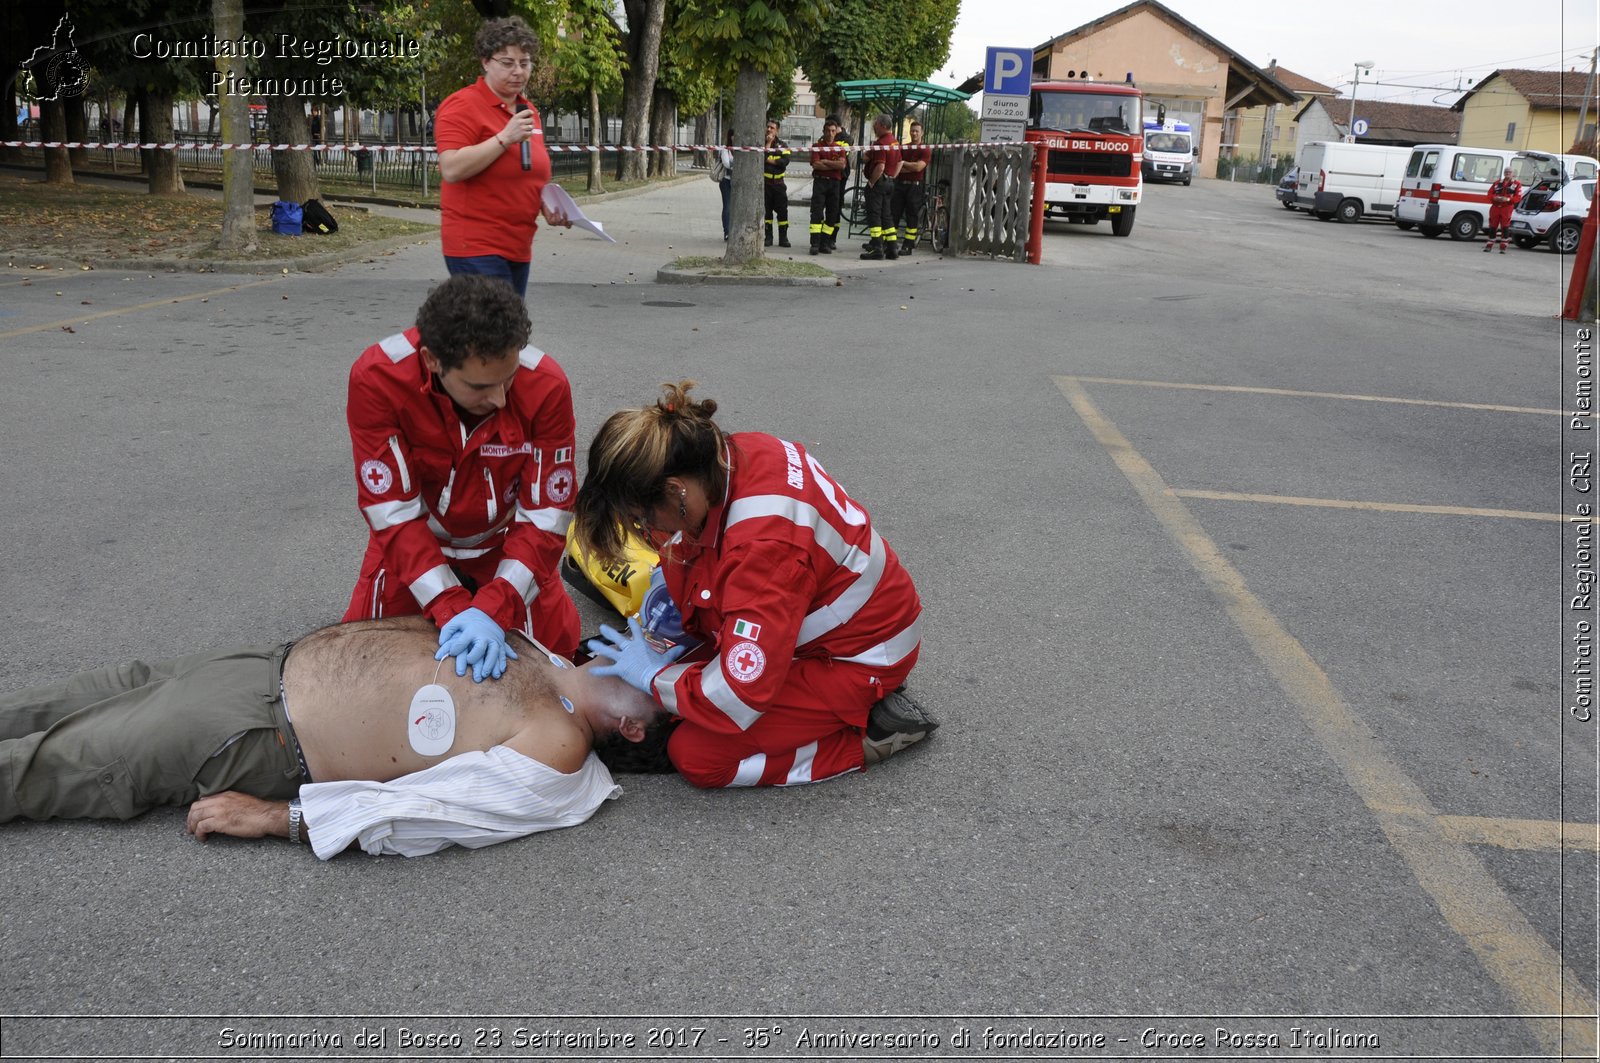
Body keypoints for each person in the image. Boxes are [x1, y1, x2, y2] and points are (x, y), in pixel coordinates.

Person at [0, 617, 673, 858]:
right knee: (40, 706)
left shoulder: (560, 751)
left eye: (663, 669)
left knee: (46, 763)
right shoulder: (548, 650)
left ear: (635, 723)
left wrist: (278, 819)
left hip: (257, 733)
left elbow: (435, 812)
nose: (656, 648)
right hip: (253, 666)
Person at [572, 382, 939, 790]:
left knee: (698, 756)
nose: (646, 530)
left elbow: (738, 698)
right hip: (828, 615)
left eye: (644, 518)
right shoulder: (727, 456)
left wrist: (656, 678)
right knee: (689, 675)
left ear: (676, 490)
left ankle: (868, 737)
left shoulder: (761, 552)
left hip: (856, 657)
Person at [343, 274, 582, 676]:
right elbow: (393, 513)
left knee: (556, 656)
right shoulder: (378, 378)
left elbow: (546, 515)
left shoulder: (546, 385)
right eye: (480, 386)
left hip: (501, 545)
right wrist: (450, 605)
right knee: (362, 663)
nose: (501, 398)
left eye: (509, 378)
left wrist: (497, 606)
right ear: (432, 360)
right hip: (414, 542)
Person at [433, 16, 570, 298]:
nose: (518, 71)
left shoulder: (527, 110)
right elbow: (451, 168)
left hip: (518, 244)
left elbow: (527, 170)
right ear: (485, 62)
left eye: (525, 62)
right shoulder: (462, 105)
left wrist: (546, 205)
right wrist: (503, 138)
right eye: (507, 63)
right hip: (476, 244)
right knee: (495, 336)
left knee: (505, 335)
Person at [859, 114, 902, 260]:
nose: (874, 127)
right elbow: (900, 163)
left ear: (882, 126)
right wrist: (892, 177)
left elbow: (880, 166)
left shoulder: (880, 143)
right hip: (889, 183)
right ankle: (892, 248)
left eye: (875, 124)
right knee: (887, 216)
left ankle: (877, 248)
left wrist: (871, 182)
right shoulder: (895, 143)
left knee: (874, 216)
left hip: (879, 184)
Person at [808, 114, 849, 255]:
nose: (830, 134)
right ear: (823, 131)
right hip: (820, 183)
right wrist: (833, 165)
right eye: (828, 131)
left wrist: (825, 162)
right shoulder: (817, 146)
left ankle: (825, 243)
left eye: (833, 131)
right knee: (816, 213)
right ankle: (814, 243)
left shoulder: (840, 148)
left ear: (836, 131)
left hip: (835, 184)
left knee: (832, 214)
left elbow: (842, 165)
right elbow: (816, 165)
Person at [892, 120, 931, 255]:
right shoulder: (903, 148)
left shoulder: (925, 149)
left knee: (912, 216)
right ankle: (890, 243)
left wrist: (902, 164)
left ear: (922, 133)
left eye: (917, 131)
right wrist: (907, 166)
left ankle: (908, 246)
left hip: (915, 188)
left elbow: (919, 167)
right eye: (912, 130)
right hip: (899, 186)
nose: (914, 133)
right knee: (894, 214)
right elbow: (895, 167)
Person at [762, 120, 792, 248]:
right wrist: (768, 143)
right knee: (767, 213)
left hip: (779, 185)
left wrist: (769, 160)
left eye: (772, 128)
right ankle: (768, 237)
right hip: (766, 185)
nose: (769, 129)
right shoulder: (762, 144)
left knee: (782, 212)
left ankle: (783, 238)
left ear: (777, 130)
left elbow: (784, 162)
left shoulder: (783, 145)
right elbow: (761, 159)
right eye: (768, 127)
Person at [1485, 167, 1523, 254]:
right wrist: (1495, 198)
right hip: (1495, 207)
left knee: (1505, 226)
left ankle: (1503, 247)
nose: (1507, 173)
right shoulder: (1497, 183)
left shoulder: (1517, 184)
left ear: (1513, 174)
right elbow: (1489, 194)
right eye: (1506, 172)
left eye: (1509, 172)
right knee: (1492, 226)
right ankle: (1489, 245)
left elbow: (1518, 197)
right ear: (1503, 173)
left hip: (1507, 208)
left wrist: (1508, 199)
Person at [708, 132, 734, 240]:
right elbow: (727, 164)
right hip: (726, 181)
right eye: (734, 135)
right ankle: (727, 231)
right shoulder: (725, 149)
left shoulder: (743, 148)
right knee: (727, 206)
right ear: (730, 136)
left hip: (738, 183)